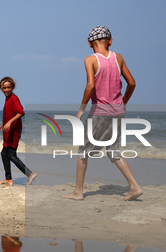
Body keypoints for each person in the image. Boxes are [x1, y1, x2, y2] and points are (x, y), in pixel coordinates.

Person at [63, 26, 143, 201]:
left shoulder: (90, 60)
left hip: (100, 111)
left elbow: (90, 85)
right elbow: (132, 83)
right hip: (117, 111)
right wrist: (123, 103)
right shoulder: (118, 58)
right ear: (110, 41)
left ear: (89, 44)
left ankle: (78, 192)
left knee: (83, 151)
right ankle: (134, 186)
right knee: (113, 150)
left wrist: (82, 109)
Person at [0, 77, 37, 186]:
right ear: (1, 88)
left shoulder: (14, 98)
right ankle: (8, 179)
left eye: (9, 87)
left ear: (13, 87)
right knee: (4, 153)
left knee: (11, 154)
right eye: (4, 88)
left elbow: (20, 112)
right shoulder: (7, 98)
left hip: (14, 131)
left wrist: (9, 122)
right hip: (8, 130)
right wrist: (4, 123)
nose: (6, 90)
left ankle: (30, 174)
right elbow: (10, 113)